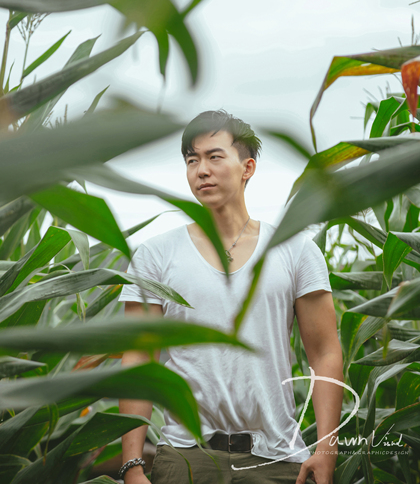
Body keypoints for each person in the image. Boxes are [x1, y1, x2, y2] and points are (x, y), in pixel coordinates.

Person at [118, 110, 343, 484]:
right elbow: (139, 359)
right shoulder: (156, 255)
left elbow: (325, 354)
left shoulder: (295, 250)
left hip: (276, 460)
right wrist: (132, 465)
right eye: (192, 160)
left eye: (214, 157)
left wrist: (326, 451)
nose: (201, 170)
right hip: (186, 460)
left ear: (247, 168)